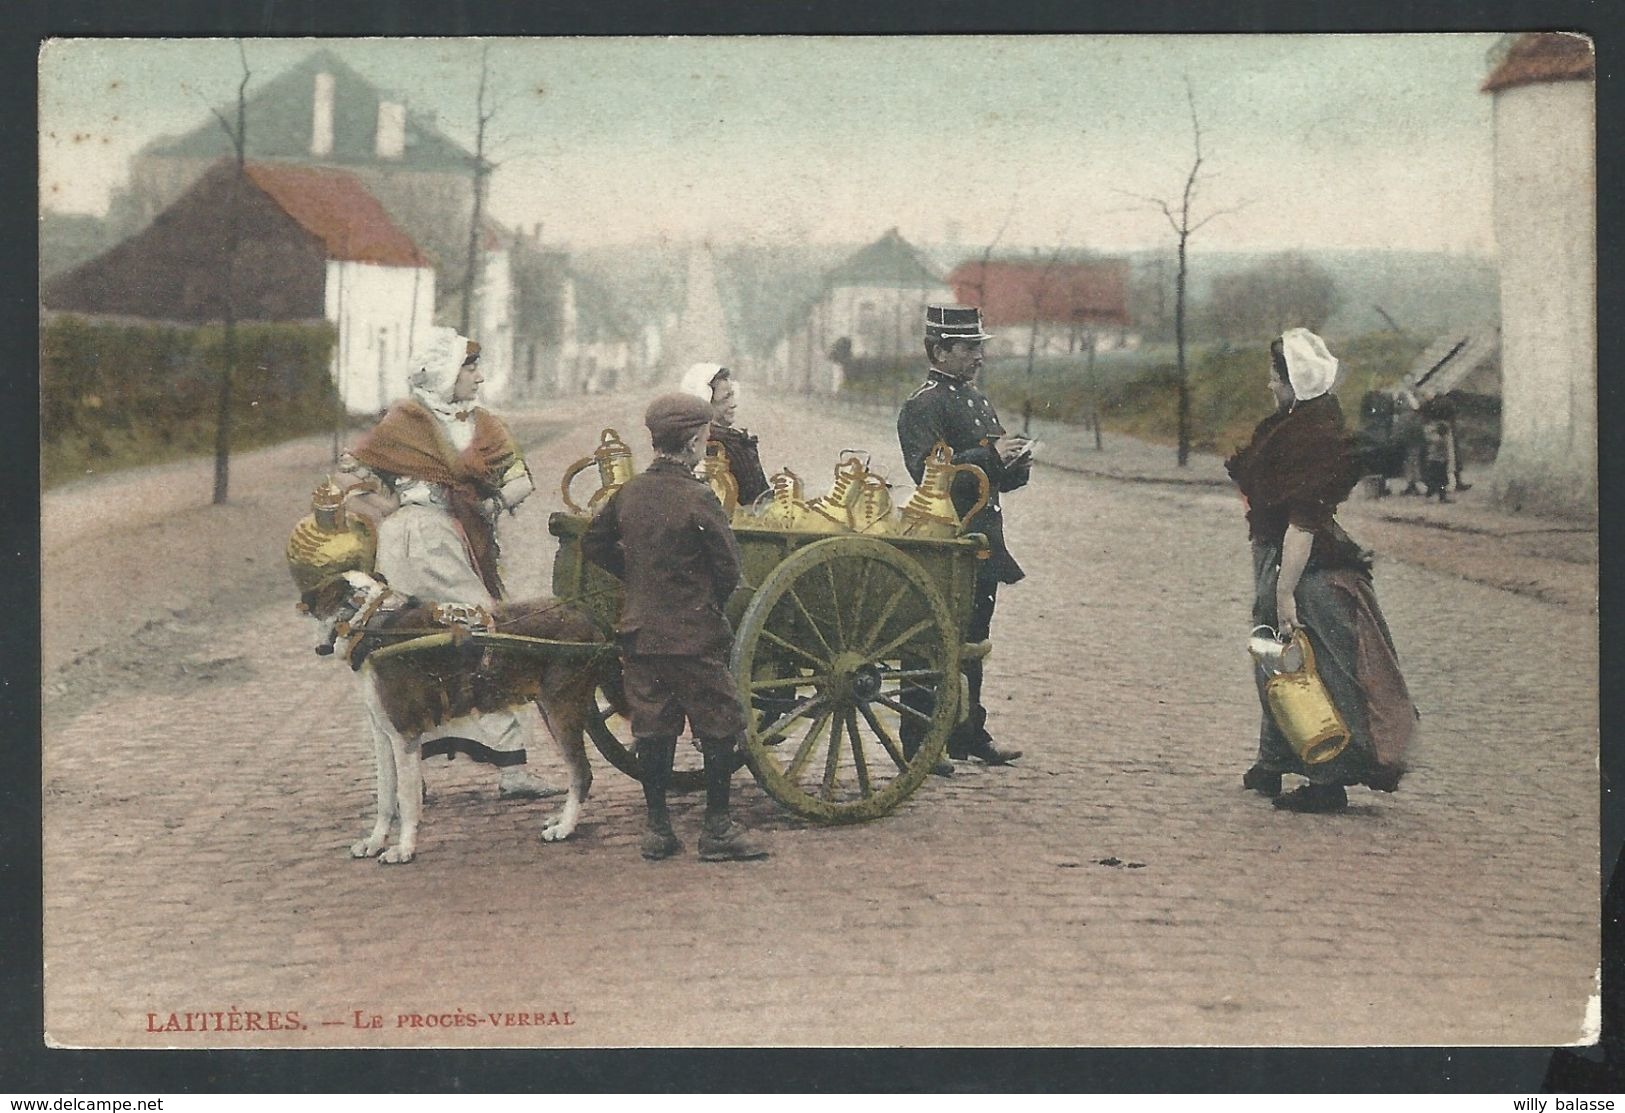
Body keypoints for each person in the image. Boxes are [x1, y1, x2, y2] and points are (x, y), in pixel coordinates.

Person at [341, 325, 558, 800]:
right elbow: (350, 479)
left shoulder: (483, 425)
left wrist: (494, 503)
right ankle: (418, 774)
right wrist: (391, 511)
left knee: (482, 637)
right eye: (470, 366)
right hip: (408, 542)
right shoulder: (404, 422)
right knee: (424, 641)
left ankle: (509, 765)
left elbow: (519, 477)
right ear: (444, 373)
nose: (479, 376)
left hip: (455, 540)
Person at [1224, 329, 1419, 813]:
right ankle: (1272, 762)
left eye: (1274, 377)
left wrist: (1285, 589)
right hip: (1278, 553)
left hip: (1304, 564)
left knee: (1316, 665)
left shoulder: (1312, 436)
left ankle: (1328, 778)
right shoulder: (1298, 419)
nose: (1269, 386)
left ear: (1292, 380)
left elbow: (1303, 524)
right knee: (1273, 654)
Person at [580, 392, 769, 862]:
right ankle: (717, 829)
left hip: (641, 633)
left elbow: (595, 544)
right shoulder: (699, 497)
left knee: (653, 725)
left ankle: (659, 829)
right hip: (693, 634)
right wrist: (701, 601)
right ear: (694, 441)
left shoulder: (630, 492)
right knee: (720, 721)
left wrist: (637, 576)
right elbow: (728, 568)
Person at [896, 304, 1029, 774]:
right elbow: (930, 474)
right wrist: (991, 455)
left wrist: (1013, 465)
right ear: (939, 351)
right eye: (969, 348)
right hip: (944, 537)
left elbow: (992, 474)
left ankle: (969, 734)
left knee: (975, 637)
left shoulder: (977, 400)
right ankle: (919, 744)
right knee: (931, 639)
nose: (978, 357)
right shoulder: (922, 405)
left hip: (981, 535)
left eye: (979, 347)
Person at [679, 362, 770, 508]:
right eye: (726, 398)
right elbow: (757, 503)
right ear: (705, 403)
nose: (733, 404)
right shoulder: (725, 445)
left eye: (732, 395)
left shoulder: (685, 442)